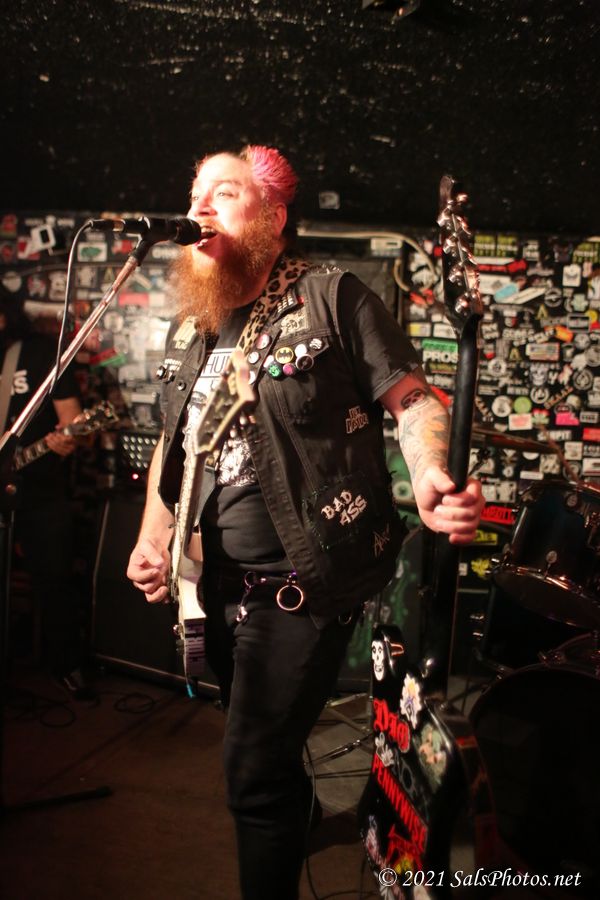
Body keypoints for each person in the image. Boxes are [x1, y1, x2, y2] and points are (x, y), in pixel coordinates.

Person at [126, 145, 484, 900]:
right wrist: (153, 537)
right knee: (270, 749)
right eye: (194, 194)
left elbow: (413, 400)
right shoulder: (194, 328)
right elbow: (174, 443)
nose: (198, 207)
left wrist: (429, 471)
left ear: (273, 216)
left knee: (250, 771)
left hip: (299, 586)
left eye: (223, 192)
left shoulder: (333, 296)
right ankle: (297, 812)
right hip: (214, 585)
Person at [0, 291, 94, 700]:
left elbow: (75, 423)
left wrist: (69, 437)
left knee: (55, 577)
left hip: (38, 486)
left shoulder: (40, 353)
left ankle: (67, 665)